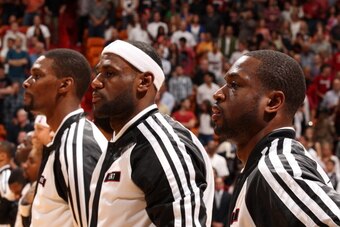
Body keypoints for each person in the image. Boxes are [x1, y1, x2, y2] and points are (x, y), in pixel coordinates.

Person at [89, 40, 214, 227]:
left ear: (144, 82)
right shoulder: (124, 139)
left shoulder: (161, 143)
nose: (96, 82)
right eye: (98, 72)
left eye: (109, 73)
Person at [211, 49, 340, 226]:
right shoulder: (262, 165)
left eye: (234, 85)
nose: (218, 93)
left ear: (272, 102)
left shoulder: (276, 169)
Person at [22, 49, 108, 227]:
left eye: (37, 76)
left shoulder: (76, 146)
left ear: (65, 85)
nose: (26, 83)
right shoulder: (65, 139)